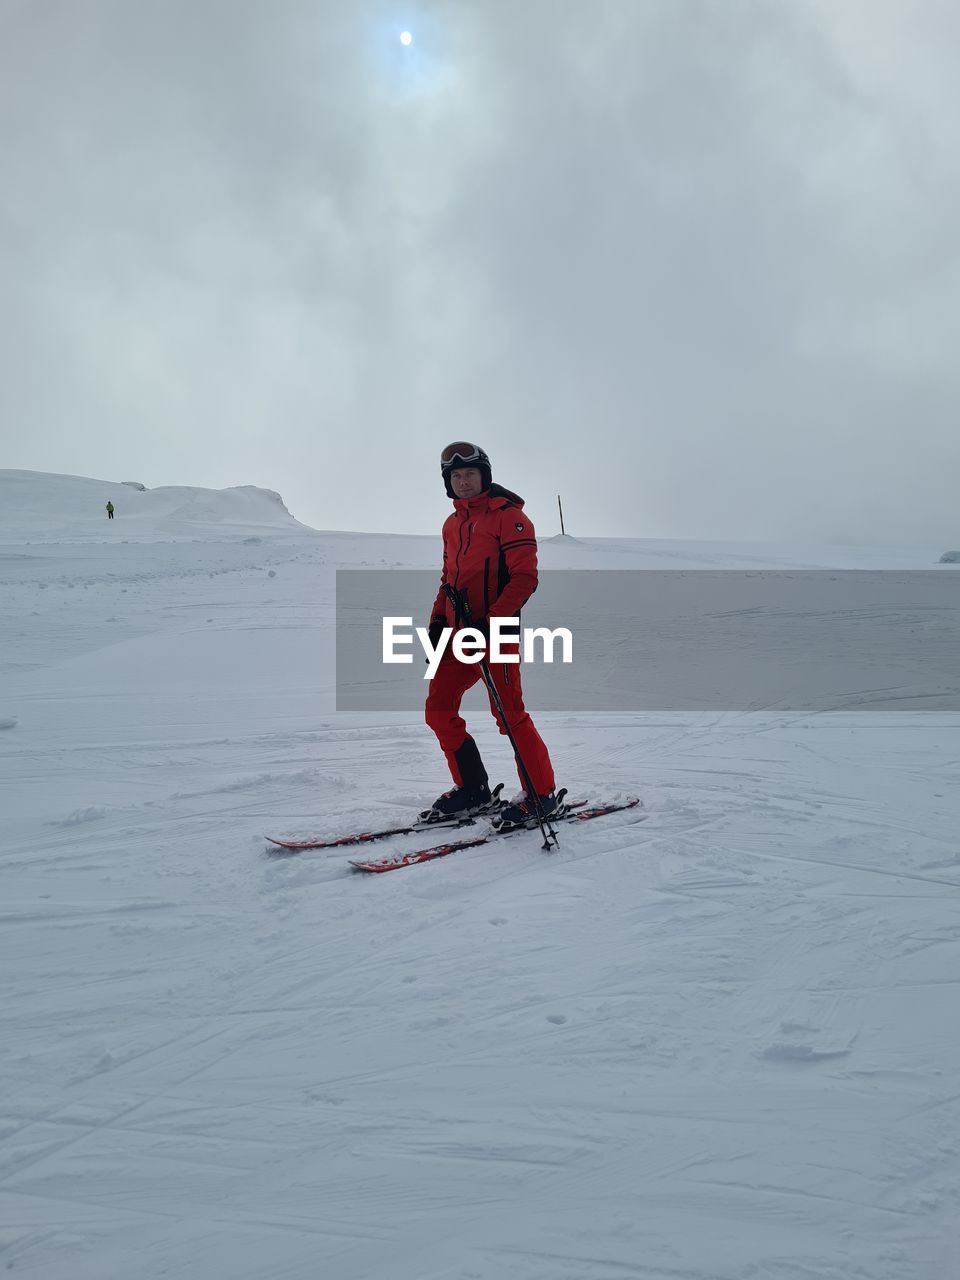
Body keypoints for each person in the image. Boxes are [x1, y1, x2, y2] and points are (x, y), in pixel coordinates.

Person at [425, 442, 557, 827]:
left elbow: (524, 578)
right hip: (457, 634)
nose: (463, 482)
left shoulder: (510, 518)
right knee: (438, 710)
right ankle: (472, 789)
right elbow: (448, 580)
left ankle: (541, 795)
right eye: (455, 476)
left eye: (469, 474)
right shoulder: (452, 524)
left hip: (494, 633)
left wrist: (492, 621)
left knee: (509, 714)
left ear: (485, 475)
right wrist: (436, 621)